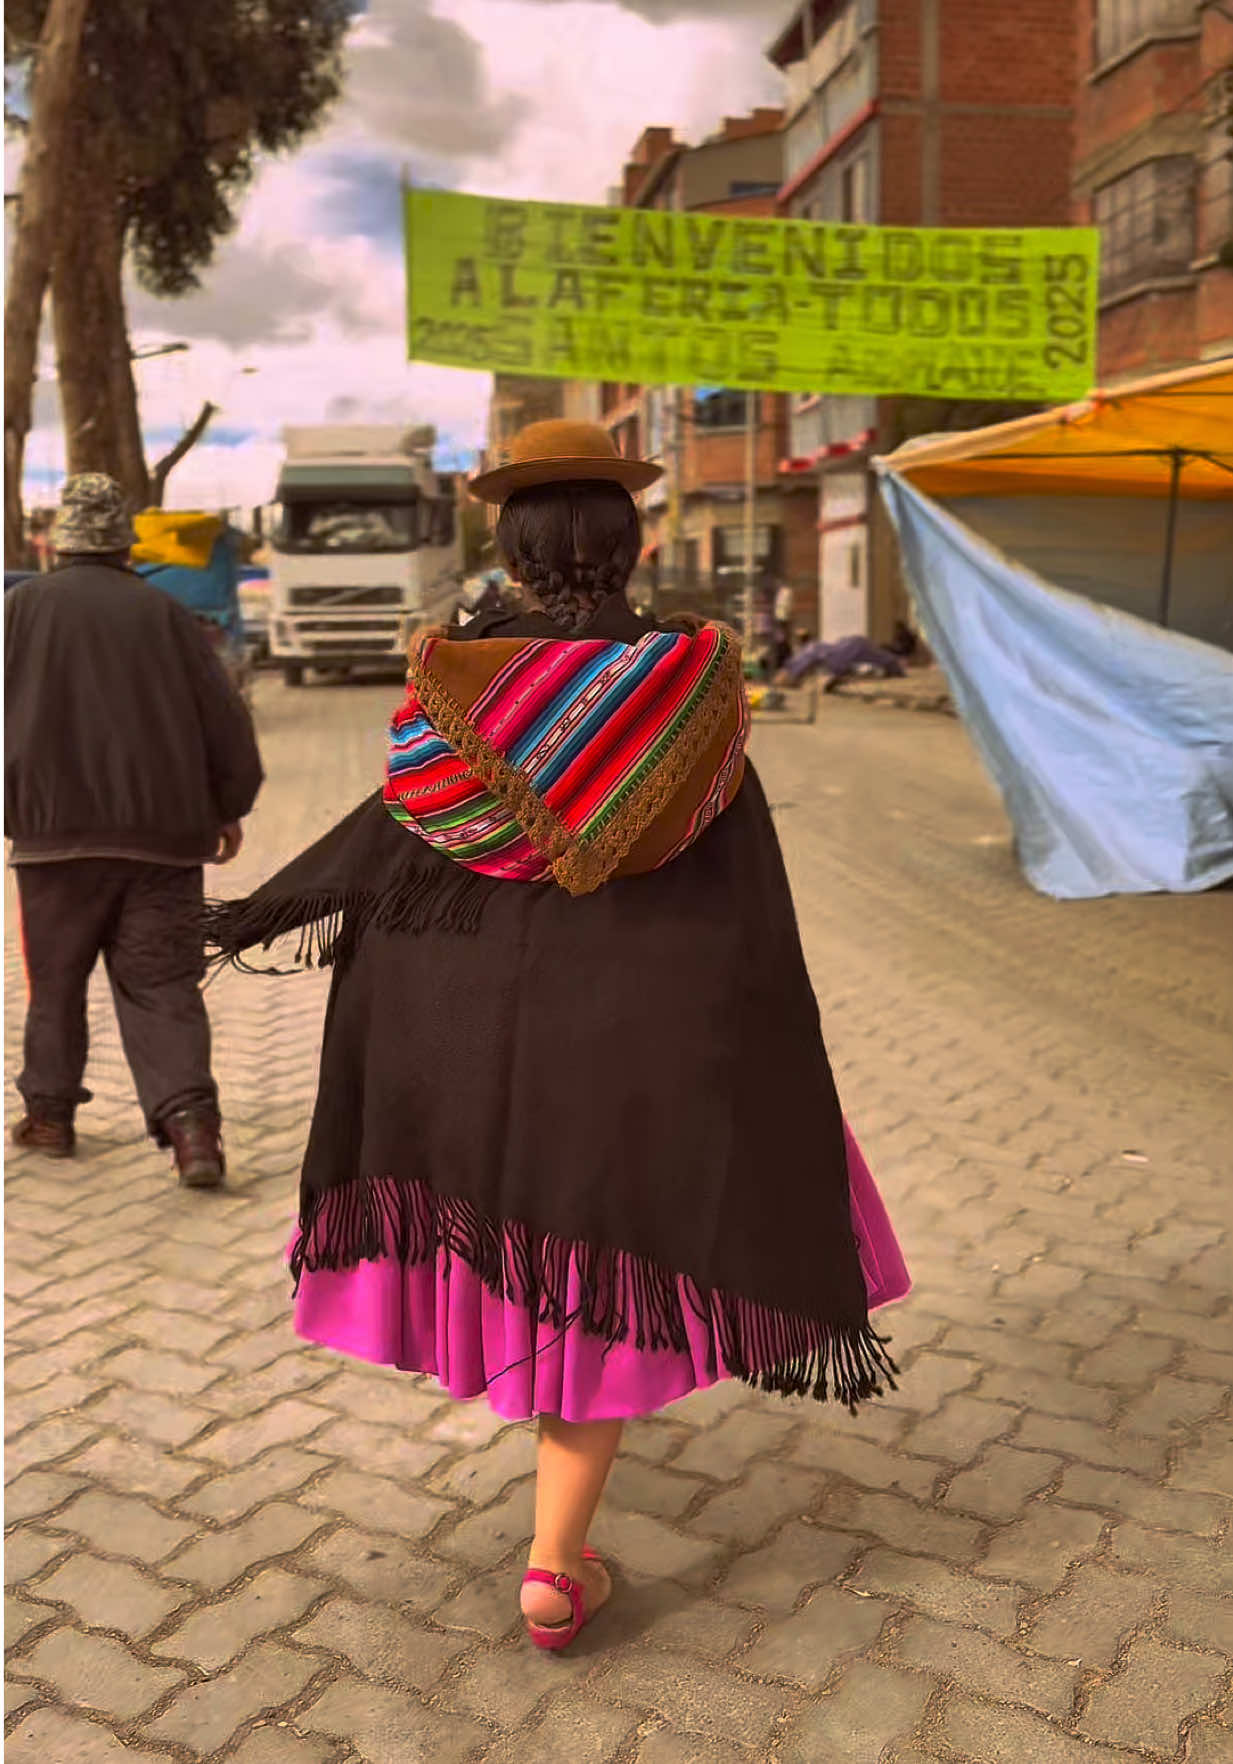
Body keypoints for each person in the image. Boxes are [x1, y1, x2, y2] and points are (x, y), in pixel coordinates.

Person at [205, 420, 909, 1648]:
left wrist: (265, 915)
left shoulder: (447, 691)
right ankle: (552, 1562)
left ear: (514, 546)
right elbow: (746, 904)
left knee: (536, 1272)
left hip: (468, 1047)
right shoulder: (697, 692)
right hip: (636, 1047)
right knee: (596, 1294)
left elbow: (392, 849)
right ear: (629, 546)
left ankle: (553, 1542)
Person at [5, 474, 264, 1185]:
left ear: (58, 541)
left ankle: (51, 1118)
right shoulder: (166, 614)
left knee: (54, 982)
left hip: (54, 840)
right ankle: (194, 1134)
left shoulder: (16, 611)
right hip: (165, 840)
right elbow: (225, 720)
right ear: (124, 542)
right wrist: (228, 807)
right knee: (163, 985)